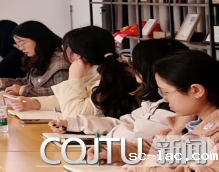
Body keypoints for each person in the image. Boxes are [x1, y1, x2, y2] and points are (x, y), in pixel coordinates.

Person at [88, 50, 219, 170]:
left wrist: (144, 167)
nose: (165, 99)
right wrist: (113, 152)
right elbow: (155, 148)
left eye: (166, 92)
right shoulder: (187, 122)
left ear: (196, 90)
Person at [49, 39, 187, 139]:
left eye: (133, 62)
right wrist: (74, 124)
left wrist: (73, 78)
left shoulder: (173, 108)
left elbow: (132, 135)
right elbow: (123, 122)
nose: (130, 66)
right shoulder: (154, 102)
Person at [7, 26, 137, 118]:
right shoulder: (98, 70)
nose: (63, 53)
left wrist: (74, 78)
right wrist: (35, 103)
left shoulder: (112, 78)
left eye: (66, 49)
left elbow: (74, 114)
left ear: (78, 55)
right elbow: (66, 99)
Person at [0, 21, 69, 98]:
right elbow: (28, 82)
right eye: (17, 45)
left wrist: (23, 91)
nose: (20, 48)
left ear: (38, 39)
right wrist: (1, 83)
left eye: (23, 43)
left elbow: (61, 92)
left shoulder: (61, 61)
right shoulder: (39, 57)